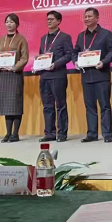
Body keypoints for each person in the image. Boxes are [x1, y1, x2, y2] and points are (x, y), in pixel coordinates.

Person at [73, 7, 112, 143]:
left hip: (101, 75)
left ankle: (107, 134)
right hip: (86, 76)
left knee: (104, 106)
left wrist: (104, 62)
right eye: (85, 16)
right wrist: (75, 62)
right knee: (89, 106)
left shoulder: (106, 34)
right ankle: (92, 133)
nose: (86, 19)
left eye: (89, 16)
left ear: (97, 18)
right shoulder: (81, 36)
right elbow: (75, 52)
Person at [34, 11, 74, 143]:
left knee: (60, 105)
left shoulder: (64, 37)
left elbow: (69, 55)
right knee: (47, 106)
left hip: (58, 75)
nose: (49, 21)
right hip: (44, 76)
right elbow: (42, 55)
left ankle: (62, 133)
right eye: (47, 19)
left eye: (51, 19)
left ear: (59, 21)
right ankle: (49, 133)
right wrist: (37, 65)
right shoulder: (43, 38)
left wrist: (55, 64)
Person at [0, 13, 29, 143]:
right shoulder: (0, 40)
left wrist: (15, 67)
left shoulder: (21, 39)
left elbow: (24, 57)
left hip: (15, 74)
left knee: (15, 104)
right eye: (7, 21)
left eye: (11, 22)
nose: (9, 24)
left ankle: (15, 133)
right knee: (6, 105)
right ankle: (8, 133)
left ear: (17, 24)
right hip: (3, 75)